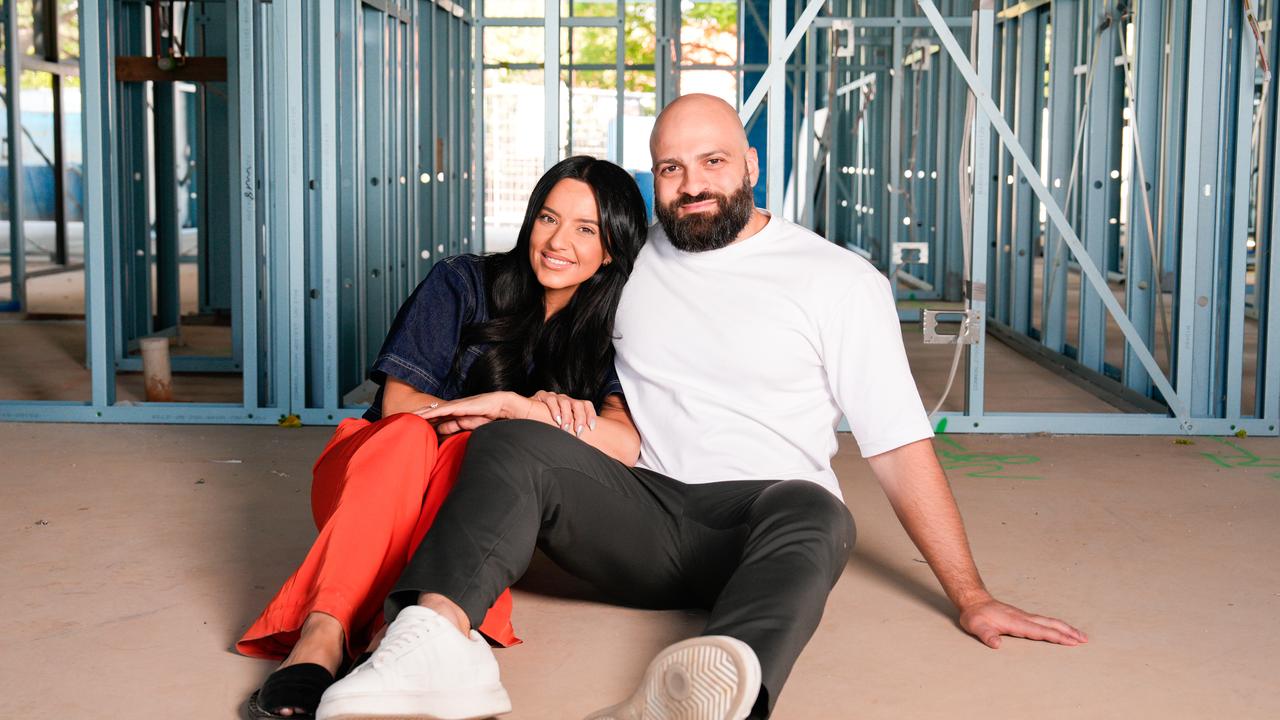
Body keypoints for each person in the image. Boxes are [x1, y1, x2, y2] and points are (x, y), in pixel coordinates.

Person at [315, 94, 1086, 720]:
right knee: (513, 443)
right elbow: (540, 319)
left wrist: (973, 596)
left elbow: (897, 446)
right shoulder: (625, 260)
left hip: (756, 523)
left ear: (750, 163)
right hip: (634, 511)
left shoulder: (839, 282)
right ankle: (435, 648)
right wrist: (502, 404)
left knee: (820, 512)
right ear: (654, 181)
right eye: (670, 168)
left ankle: (709, 696)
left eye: (712, 161)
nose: (692, 184)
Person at [236, 155, 648, 719]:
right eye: (548, 219)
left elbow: (622, 442)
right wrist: (507, 412)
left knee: (485, 455)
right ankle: (322, 638)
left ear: (612, 249)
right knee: (411, 436)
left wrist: (516, 412)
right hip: (375, 481)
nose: (557, 241)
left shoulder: (614, 327)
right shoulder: (461, 281)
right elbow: (401, 407)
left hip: (464, 507)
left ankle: (394, 636)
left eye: (586, 229)